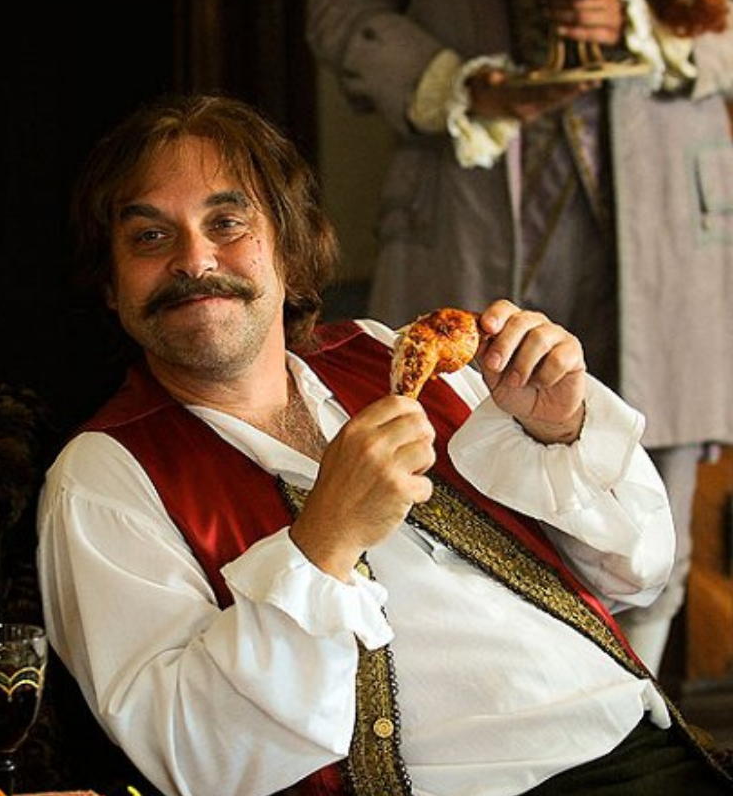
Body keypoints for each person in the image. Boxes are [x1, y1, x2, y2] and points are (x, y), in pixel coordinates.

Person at [36, 92, 733, 796]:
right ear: (111, 284)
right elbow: (194, 761)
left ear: (289, 248)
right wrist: (323, 543)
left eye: (227, 222)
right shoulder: (101, 478)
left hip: (658, 742)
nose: (194, 259)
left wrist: (559, 432)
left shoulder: (389, 353)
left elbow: (631, 576)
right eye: (149, 237)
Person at [305, 0, 733, 676]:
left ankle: (640, 712)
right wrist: (455, 84)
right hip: (466, 207)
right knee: (438, 504)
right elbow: (340, 12)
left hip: (665, 220)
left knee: (653, 522)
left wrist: (644, 24)